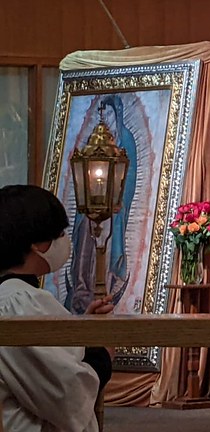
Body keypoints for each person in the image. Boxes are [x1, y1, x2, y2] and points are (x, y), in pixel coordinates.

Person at [0, 184, 114, 432]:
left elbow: (44, 362)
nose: (64, 241)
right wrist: (102, 351)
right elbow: (67, 394)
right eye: (59, 233)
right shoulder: (19, 303)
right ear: (36, 243)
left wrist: (81, 332)